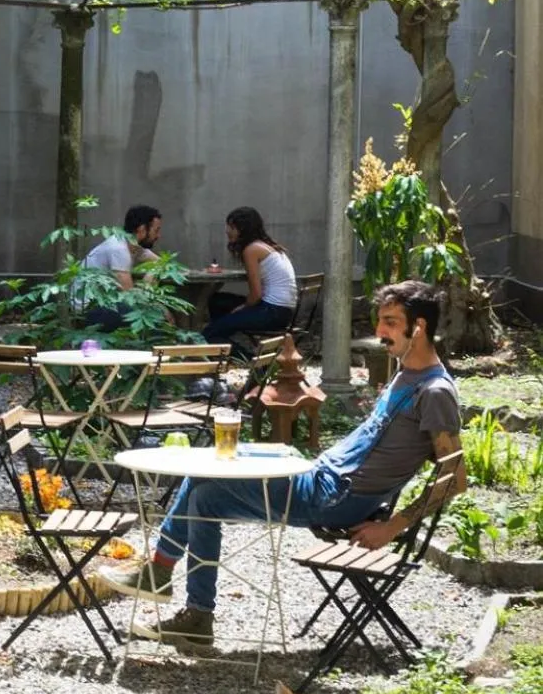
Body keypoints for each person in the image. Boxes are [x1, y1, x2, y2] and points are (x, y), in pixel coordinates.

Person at [99, 279, 465, 652]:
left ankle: (177, 592)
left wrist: (392, 527)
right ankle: (182, 599)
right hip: (320, 476)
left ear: (418, 327)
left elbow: (456, 477)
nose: (379, 331)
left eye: (389, 322)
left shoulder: (434, 392)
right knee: (209, 473)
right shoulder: (405, 373)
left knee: (206, 491)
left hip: (335, 497)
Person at [202, 207, 297, 345]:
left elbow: (256, 295)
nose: (227, 231)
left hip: (271, 312)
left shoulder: (251, 250)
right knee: (217, 301)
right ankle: (223, 331)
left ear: (243, 229)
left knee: (207, 335)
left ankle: (251, 361)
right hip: (282, 311)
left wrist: (242, 308)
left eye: (231, 227)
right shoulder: (266, 246)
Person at [74, 204, 162, 331]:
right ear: (142, 230)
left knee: (152, 313)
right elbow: (130, 297)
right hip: (88, 309)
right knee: (150, 316)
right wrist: (149, 282)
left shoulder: (134, 246)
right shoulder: (118, 248)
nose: (158, 236)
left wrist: (152, 273)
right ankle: (159, 350)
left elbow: (163, 263)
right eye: (156, 230)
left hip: (105, 304)